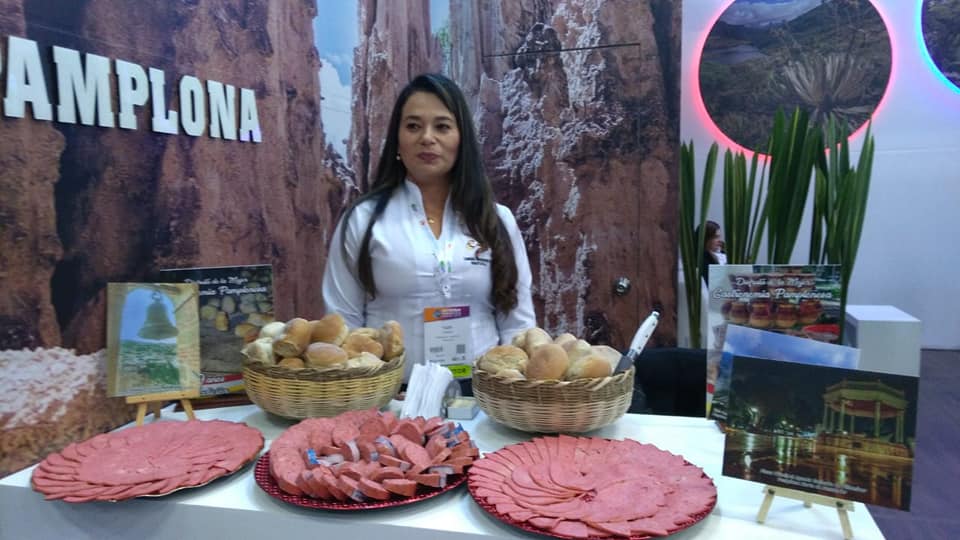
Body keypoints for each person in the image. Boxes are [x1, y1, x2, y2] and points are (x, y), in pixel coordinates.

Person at [322, 73, 536, 384]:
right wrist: (367, 392)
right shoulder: (363, 220)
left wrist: (511, 391)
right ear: (397, 139)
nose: (427, 137)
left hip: (484, 396)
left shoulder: (496, 220)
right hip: (391, 396)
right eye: (413, 126)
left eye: (442, 126)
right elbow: (344, 321)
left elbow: (518, 324)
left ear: (461, 139)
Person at [696, 220, 723, 286]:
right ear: (705, 238)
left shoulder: (722, 252)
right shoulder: (702, 261)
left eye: (719, 237)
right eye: (715, 237)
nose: (719, 240)